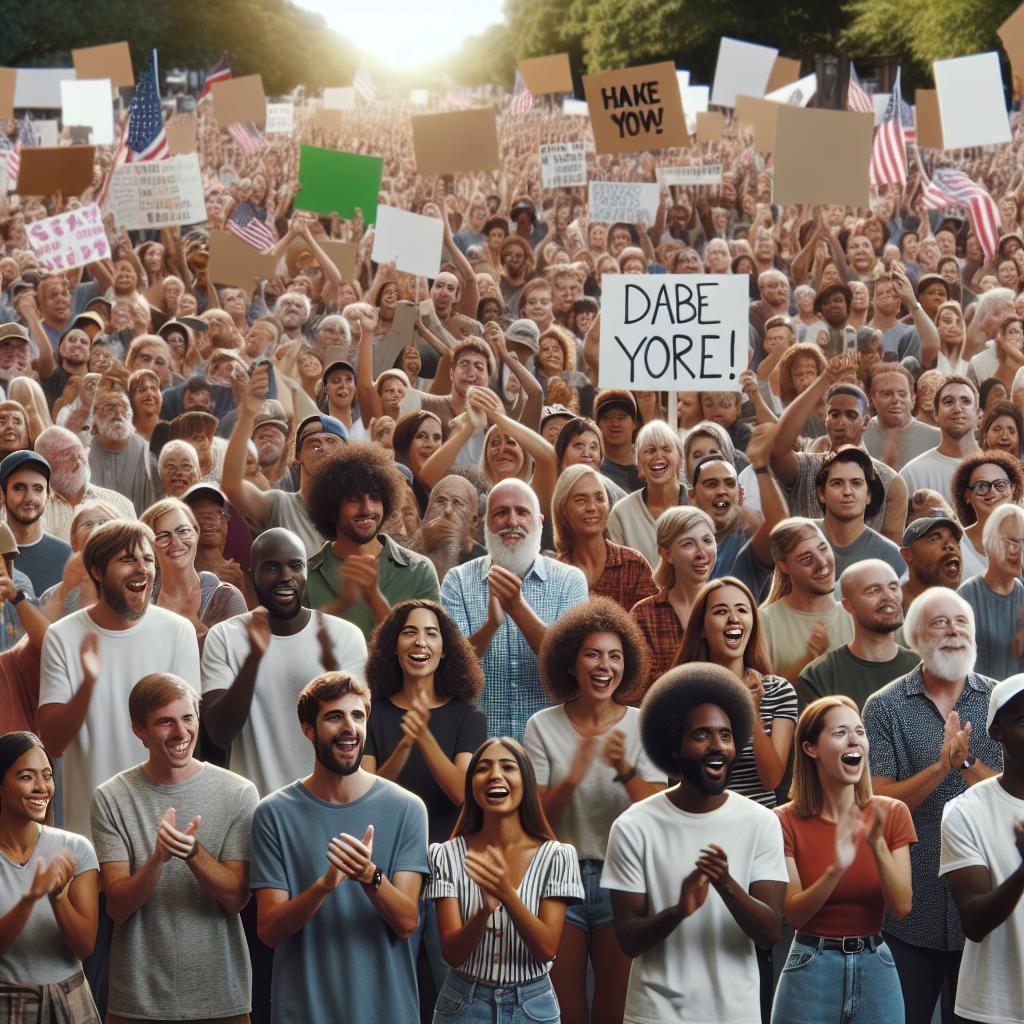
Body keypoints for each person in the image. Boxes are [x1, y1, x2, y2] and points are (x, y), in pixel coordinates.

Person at [602, 663, 787, 1024]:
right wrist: (679, 910)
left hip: (735, 1013)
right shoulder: (633, 826)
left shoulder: (762, 822)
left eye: (726, 735)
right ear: (674, 749)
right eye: (701, 735)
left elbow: (769, 933)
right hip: (655, 1014)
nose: (717, 745)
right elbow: (628, 939)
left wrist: (726, 884)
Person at [250, 671, 428, 1024]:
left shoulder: (407, 808)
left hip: (388, 1013)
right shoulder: (273, 813)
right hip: (302, 1013)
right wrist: (323, 887)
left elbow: (407, 922)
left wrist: (369, 876)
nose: (349, 727)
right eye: (334, 716)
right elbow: (269, 931)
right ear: (308, 729)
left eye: (357, 716)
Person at [863, 588, 1002, 1024]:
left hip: (985, 910)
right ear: (915, 637)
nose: (953, 631)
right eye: (940, 623)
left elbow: (1016, 792)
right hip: (909, 912)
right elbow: (880, 800)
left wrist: (965, 764)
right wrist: (940, 768)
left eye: (962, 622)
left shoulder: (1002, 702)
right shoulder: (884, 707)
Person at [525, 598, 663, 1024]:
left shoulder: (641, 724)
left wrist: (623, 769)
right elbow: (537, 821)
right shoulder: (542, 726)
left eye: (615, 656)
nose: (605, 665)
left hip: (622, 878)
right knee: (565, 1008)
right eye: (593, 654)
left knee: (614, 1008)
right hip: (558, 878)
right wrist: (573, 776)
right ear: (571, 664)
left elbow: (656, 808)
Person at [90, 674, 258, 1024]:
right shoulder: (111, 797)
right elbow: (118, 907)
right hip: (136, 1001)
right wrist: (157, 860)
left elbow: (236, 899)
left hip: (221, 998)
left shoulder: (238, 793)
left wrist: (194, 854)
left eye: (188, 718)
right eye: (166, 722)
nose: (181, 733)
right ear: (139, 730)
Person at [38, 520, 201, 840]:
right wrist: (88, 684)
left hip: (164, 828)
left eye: (149, 559)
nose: (142, 569)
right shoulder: (62, 636)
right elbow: (54, 743)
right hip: (88, 831)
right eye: (128, 560)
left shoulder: (178, 632)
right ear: (97, 571)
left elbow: (186, 738)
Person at [770, 697, 915, 1024]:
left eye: (860, 732)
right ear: (810, 748)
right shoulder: (782, 821)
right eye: (840, 733)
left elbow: (902, 906)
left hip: (876, 964)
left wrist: (876, 842)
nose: (854, 740)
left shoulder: (892, 813)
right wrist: (836, 869)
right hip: (810, 966)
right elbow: (794, 914)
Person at [424, 736, 584, 1024]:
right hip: (463, 1005)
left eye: (508, 767)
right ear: (472, 785)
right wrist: (484, 909)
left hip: (533, 1007)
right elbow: (452, 954)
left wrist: (507, 894)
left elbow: (546, 948)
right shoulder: (445, 855)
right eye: (483, 768)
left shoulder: (557, 856)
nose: (495, 775)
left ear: (526, 781)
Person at [201, 528, 368, 798]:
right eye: (271, 568)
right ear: (251, 573)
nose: (285, 577)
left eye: (295, 566)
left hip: (325, 803)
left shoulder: (344, 636)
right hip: (252, 806)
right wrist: (253, 657)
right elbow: (219, 733)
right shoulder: (224, 637)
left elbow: (353, 736)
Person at [441, 479, 588, 740]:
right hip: (478, 746)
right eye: (501, 513)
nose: (512, 521)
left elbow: (572, 666)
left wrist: (517, 608)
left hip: (550, 745)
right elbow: (451, 670)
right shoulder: (458, 581)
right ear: (486, 525)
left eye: (522, 512)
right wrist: (491, 626)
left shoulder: (570, 580)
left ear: (540, 522)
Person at [940, 673, 1024, 1024]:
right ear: (997, 733)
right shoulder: (966, 811)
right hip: (994, 1009)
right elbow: (974, 921)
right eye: (1023, 720)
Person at [0, 731, 100, 1022]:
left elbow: (85, 947)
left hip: (71, 1001)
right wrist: (29, 899)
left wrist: (58, 898)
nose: (41, 787)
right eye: (26, 777)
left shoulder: (76, 848)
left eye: (47, 775)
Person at [676, 578, 797, 808]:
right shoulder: (683, 692)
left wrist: (752, 712)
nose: (733, 618)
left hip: (760, 823)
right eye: (721, 611)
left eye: (742, 610)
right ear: (701, 628)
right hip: (702, 819)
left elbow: (771, 779)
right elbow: (681, 775)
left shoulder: (779, 691)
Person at [304, 442, 440, 636]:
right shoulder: (306, 576)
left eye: (375, 498)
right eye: (353, 499)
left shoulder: (419, 570)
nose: (367, 509)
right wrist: (342, 604)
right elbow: (301, 643)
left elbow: (425, 647)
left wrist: (374, 598)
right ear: (331, 508)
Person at [798, 560, 920, 711]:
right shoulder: (819, 676)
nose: (889, 596)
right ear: (848, 605)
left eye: (894, 587)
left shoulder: (924, 669)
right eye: (873, 590)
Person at [759, 519, 855, 686]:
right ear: (783, 566)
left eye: (823, 549)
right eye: (806, 558)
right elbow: (761, 696)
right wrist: (809, 658)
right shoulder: (763, 622)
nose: (822, 563)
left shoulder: (856, 615)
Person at [551, 464, 657, 611]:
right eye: (580, 500)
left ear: (608, 505)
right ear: (562, 509)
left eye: (599, 498)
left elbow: (650, 626)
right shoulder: (554, 574)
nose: (592, 507)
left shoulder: (634, 565)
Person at [139, 497, 247, 641]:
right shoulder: (140, 603)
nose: (176, 543)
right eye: (163, 536)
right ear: (150, 548)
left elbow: (237, 657)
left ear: (196, 533)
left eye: (183, 531)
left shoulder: (226, 598)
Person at [631, 507, 717, 684]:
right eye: (688, 544)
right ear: (666, 554)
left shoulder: (731, 608)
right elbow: (639, 686)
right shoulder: (644, 615)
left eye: (707, 541)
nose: (702, 553)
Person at [813, 446, 904, 582]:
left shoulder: (891, 556)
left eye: (856, 483)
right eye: (837, 483)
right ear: (821, 493)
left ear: (868, 495)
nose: (847, 491)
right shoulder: (799, 537)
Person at [607, 421, 688, 569]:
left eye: (666, 449)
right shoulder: (620, 515)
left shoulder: (699, 503)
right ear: (639, 462)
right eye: (650, 450)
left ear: (680, 459)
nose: (658, 456)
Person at [957, 503, 1024, 681]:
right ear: (989, 542)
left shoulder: (1022, 594)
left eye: (1021, 542)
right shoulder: (966, 597)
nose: (1015, 550)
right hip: (977, 701)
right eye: (1009, 541)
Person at [34, 426, 135, 543]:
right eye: (66, 454)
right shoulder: (37, 512)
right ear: (45, 466)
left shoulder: (119, 503)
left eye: (79, 451)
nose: (77, 459)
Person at [0, 450, 72, 595]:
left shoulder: (66, 555)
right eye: (19, 488)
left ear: (48, 495)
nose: (29, 497)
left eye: (38, 489)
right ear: (2, 494)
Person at [900, 377, 981, 505]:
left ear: (978, 413)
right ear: (935, 414)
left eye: (965, 401)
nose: (958, 409)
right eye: (948, 402)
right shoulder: (912, 474)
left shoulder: (997, 468)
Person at [949, 449, 1024, 578]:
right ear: (967, 495)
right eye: (982, 486)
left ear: (1013, 489)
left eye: (1000, 485)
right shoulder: (955, 543)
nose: (992, 492)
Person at [88, 390, 159, 516]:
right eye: (109, 407)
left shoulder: (147, 454)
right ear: (94, 418)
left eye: (124, 407)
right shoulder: (83, 454)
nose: (118, 413)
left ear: (131, 415)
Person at [406, 474, 485, 582]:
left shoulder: (484, 564)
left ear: (473, 521)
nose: (448, 510)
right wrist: (423, 546)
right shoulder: (406, 550)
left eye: (458, 503)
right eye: (440, 501)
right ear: (427, 513)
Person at [862, 365, 940, 471]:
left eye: (902, 394)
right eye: (886, 394)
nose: (896, 400)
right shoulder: (859, 435)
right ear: (871, 400)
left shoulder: (937, 439)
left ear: (913, 399)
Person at [900, 515, 964, 611]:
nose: (950, 546)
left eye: (955, 540)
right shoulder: (889, 607)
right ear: (907, 554)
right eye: (934, 539)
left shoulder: (965, 609)